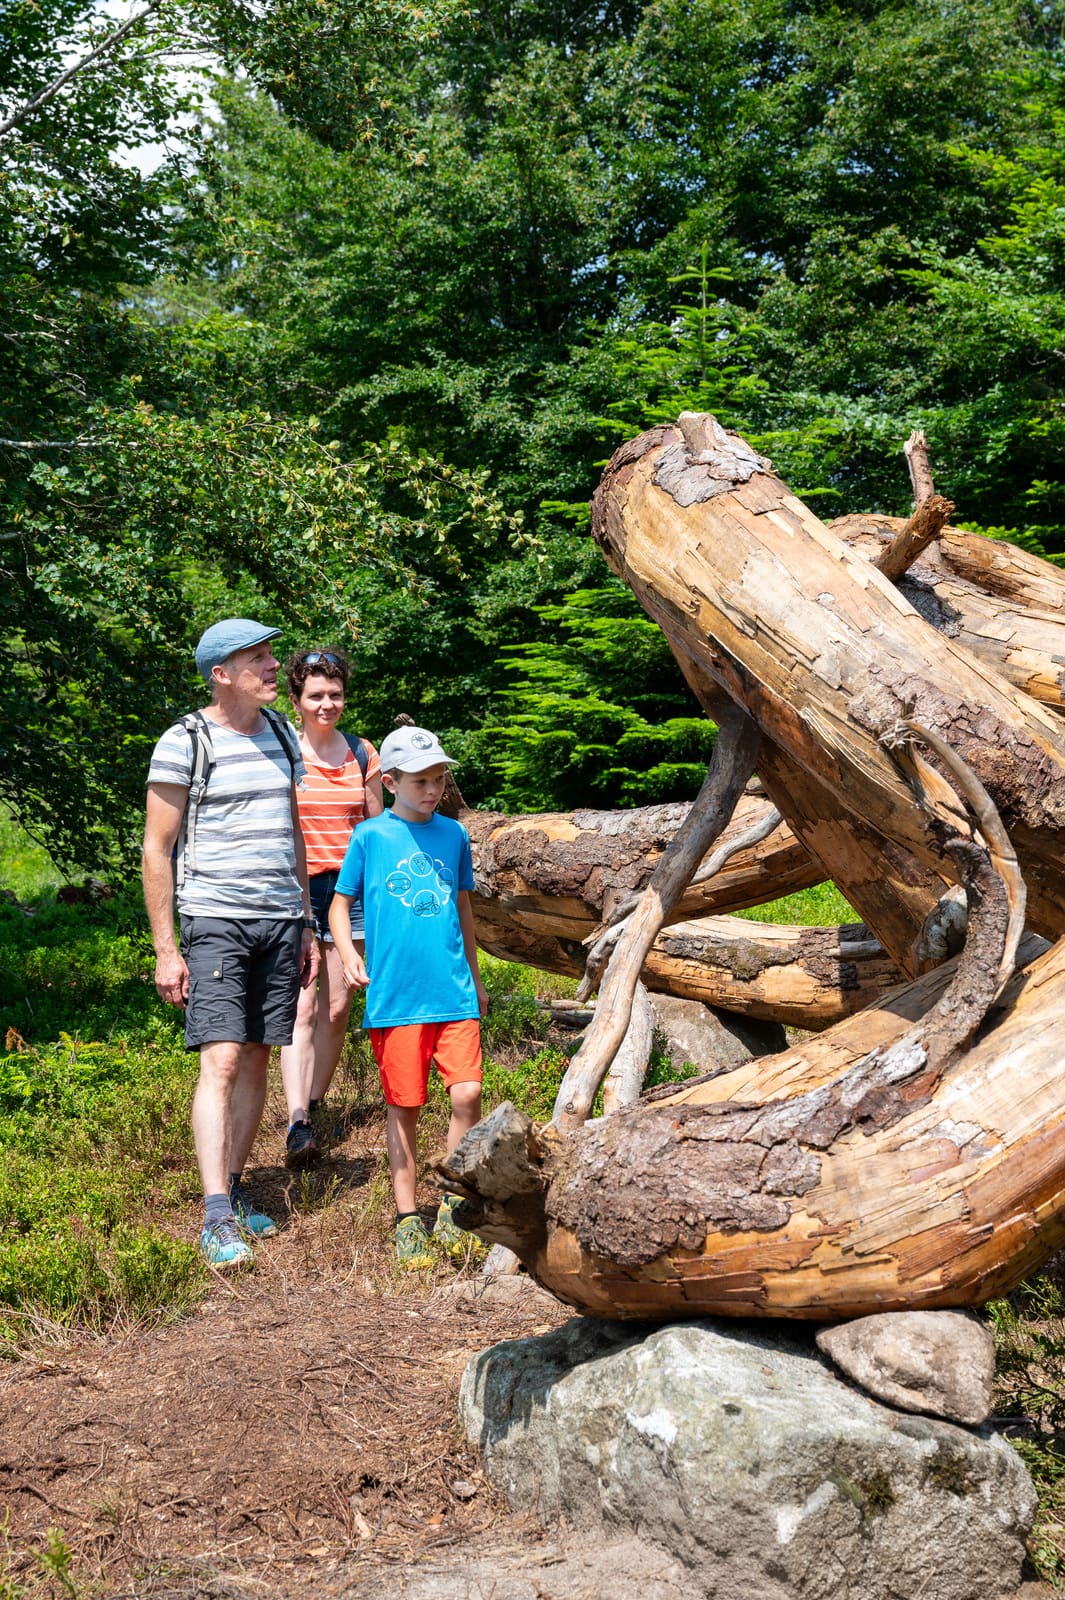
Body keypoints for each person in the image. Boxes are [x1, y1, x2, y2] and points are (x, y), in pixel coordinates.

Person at [142, 619, 319, 1268]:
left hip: (280, 921)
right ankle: (215, 1216)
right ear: (221, 673)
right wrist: (167, 948)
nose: (275, 667)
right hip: (215, 920)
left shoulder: (281, 735)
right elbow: (156, 850)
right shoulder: (183, 741)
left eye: (273, 655)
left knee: (255, 1058)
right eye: (259, 658)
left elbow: (292, 836)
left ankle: (236, 1189)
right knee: (218, 1060)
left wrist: (305, 922)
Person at [328, 725, 489, 1268]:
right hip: (396, 1000)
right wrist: (350, 954)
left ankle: (450, 1202)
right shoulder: (370, 837)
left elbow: (463, 910)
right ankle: (406, 1217)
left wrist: (477, 976)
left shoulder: (455, 836)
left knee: (466, 1095)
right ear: (391, 781)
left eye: (439, 779)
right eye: (421, 780)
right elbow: (338, 903)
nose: (433, 789)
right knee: (406, 1107)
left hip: (454, 993)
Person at [279, 648, 383, 1167]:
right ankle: (297, 1121)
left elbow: (376, 828)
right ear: (295, 699)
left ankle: (314, 1103)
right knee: (301, 1004)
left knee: (339, 1005)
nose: (327, 704)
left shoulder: (362, 753)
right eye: (316, 695)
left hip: (352, 892)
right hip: (293, 891)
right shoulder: (281, 751)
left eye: (335, 694)